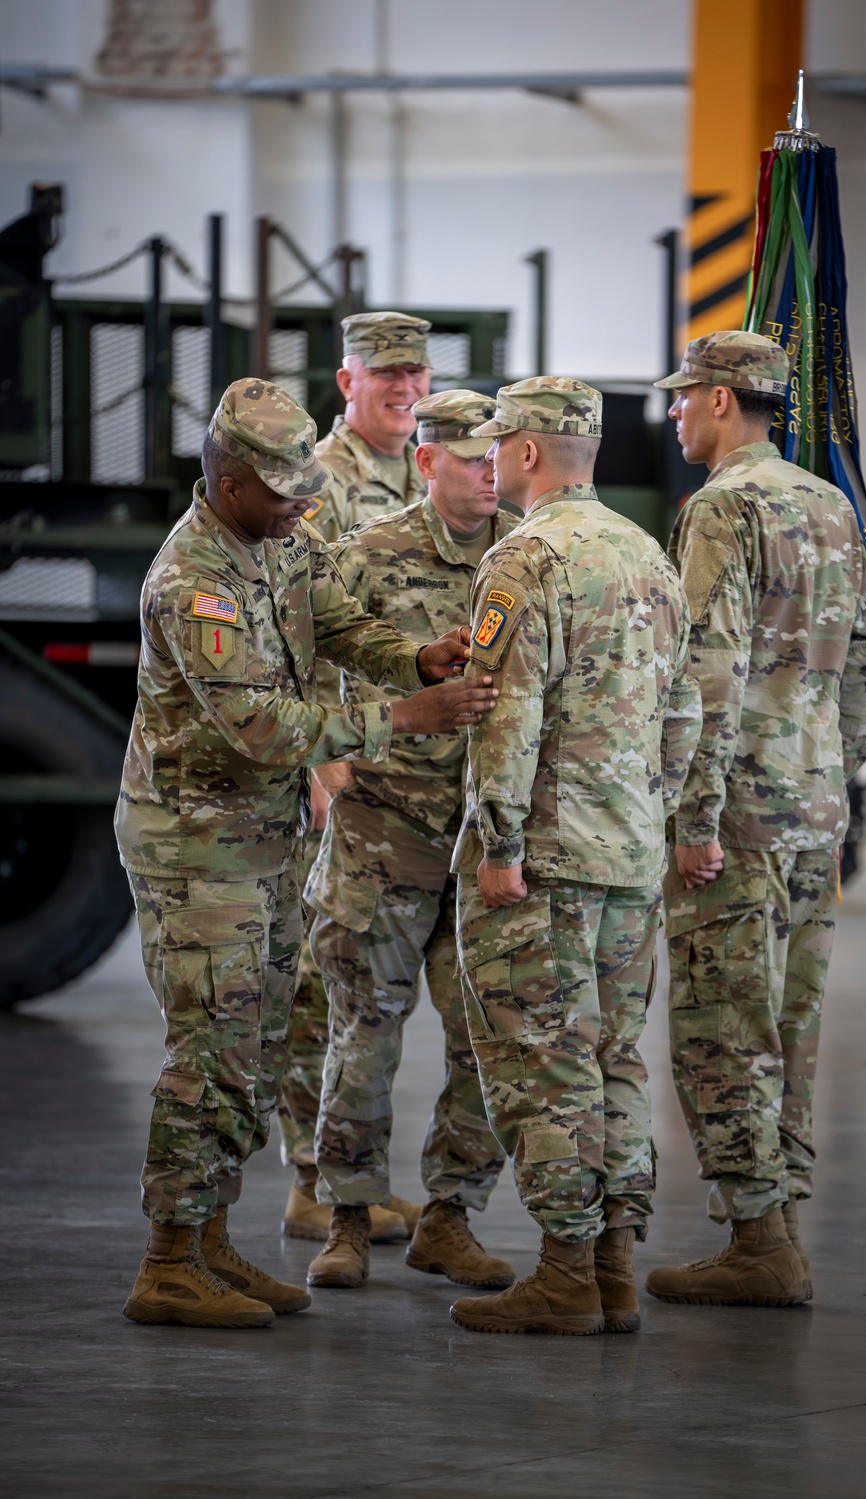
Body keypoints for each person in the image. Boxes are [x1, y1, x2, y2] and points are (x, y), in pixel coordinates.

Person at [115, 378, 497, 1329]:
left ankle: (211, 1245)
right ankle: (168, 1260)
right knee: (208, 1055)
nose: (302, 503)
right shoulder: (194, 579)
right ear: (228, 478)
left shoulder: (278, 540)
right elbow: (258, 723)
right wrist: (399, 716)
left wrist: (415, 658)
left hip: (261, 841)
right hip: (198, 849)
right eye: (282, 489)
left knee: (255, 1053)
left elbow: (339, 623)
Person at [448, 377, 703, 1337]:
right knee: (612, 1057)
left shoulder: (526, 559)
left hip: (546, 860)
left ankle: (562, 1272)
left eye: (495, 446)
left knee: (543, 1062)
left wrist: (500, 844)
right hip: (630, 854)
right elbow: (685, 712)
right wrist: (656, 812)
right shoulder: (649, 555)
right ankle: (612, 1266)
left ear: (521, 454)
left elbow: (503, 717)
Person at [644, 330, 866, 1308]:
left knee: (720, 1022)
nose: (669, 413)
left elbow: (707, 673)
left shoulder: (722, 510)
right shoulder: (830, 503)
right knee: (791, 1023)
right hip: (811, 804)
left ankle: (755, 1236)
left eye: (680, 396)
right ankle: (778, 1219)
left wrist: (692, 815)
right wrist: (834, 771)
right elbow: (864, 662)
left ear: (717, 400)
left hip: (737, 813)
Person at [302, 390, 521, 1295]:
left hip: (485, 840)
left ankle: (450, 1216)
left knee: (488, 1036)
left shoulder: (530, 553)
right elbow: (307, 668)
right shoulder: (367, 555)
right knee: (364, 1031)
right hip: (385, 832)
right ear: (426, 463)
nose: (487, 472)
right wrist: (331, 762)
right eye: (469, 458)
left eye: (496, 457)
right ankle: (346, 1216)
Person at [278, 308, 433, 1242]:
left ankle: (348, 1177)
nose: (406, 393)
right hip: (339, 764)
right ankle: (311, 1179)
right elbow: (296, 630)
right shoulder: (323, 484)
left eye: (417, 377)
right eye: (388, 379)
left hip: (398, 768)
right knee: (318, 977)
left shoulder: (415, 472)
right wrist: (321, 759)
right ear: (348, 384)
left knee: (362, 982)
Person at [312, 310, 432, 541]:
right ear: (347, 383)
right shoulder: (317, 479)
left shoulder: (433, 473)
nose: (404, 388)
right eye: (385, 372)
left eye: (415, 372)